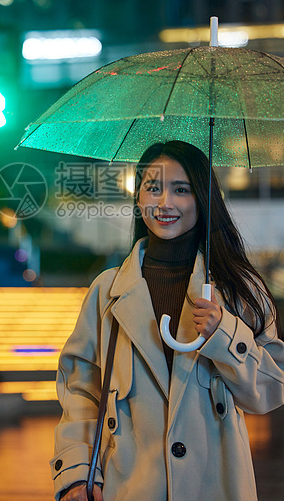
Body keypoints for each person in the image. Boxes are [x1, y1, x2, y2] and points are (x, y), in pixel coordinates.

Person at [50, 140, 284, 501]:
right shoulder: (107, 291)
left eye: (181, 190)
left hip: (217, 486)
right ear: (138, 196)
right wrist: (78, 474)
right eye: (153, 188)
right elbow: (82, 391)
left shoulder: (238, 288)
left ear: (204, 199)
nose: (164, 203)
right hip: (128, 487)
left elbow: (270, 391)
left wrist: (224, 334)